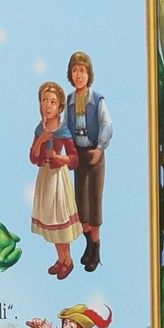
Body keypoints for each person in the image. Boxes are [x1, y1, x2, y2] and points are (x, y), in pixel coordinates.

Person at [64, 49, 112, 272]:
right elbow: (66, 128)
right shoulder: (70, 100)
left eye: (82, 70)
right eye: (74, 70)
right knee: (80, 203)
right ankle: (89, 244)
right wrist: (67, 151)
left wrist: (100, 149)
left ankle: (96, 249)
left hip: (95, 155)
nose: (78, 75)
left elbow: (107, 125)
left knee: (94, 202)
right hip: (79, 155)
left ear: (89, 73)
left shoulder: (98, 100)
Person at [28, 79, 82, 279]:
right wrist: (40, 141)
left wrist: (59, 158)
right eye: (44, 100)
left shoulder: (63, 130)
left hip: (58, 180)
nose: (47, 105)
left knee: (60, 222)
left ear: (59, 107)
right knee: (51, 221)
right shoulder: (40, 129)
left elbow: (74, 159)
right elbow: (33, 158)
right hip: (45, 179)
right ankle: (61, 259)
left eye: (52, 102)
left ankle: (68, 260)